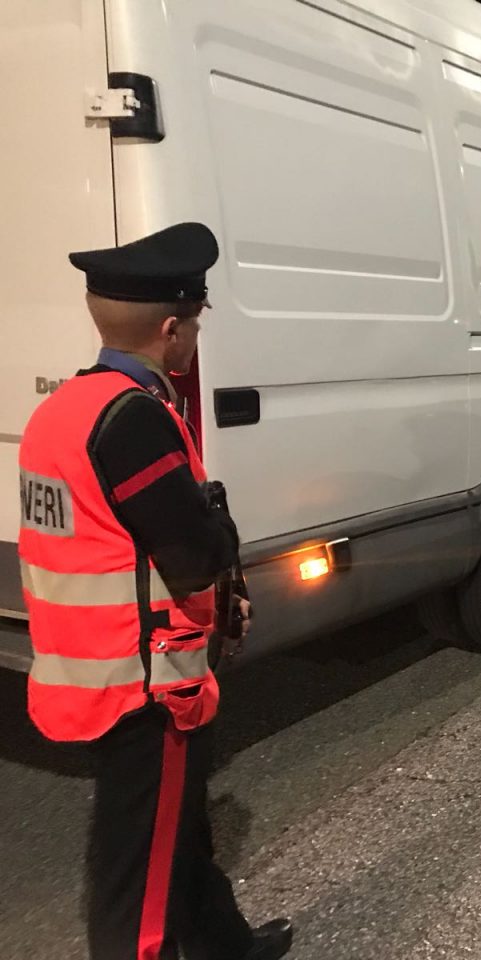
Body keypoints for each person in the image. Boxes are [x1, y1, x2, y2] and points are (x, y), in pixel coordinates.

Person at [17, 223, 293, 960]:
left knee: (178, 830)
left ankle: (225, 945)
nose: (196, 337)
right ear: (172, 329)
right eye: (195, 323)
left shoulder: (61, 409)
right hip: (147, 684)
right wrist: (219, 525)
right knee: (137, 878)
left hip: (92, 665)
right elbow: (195, 554)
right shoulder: (134, 418)